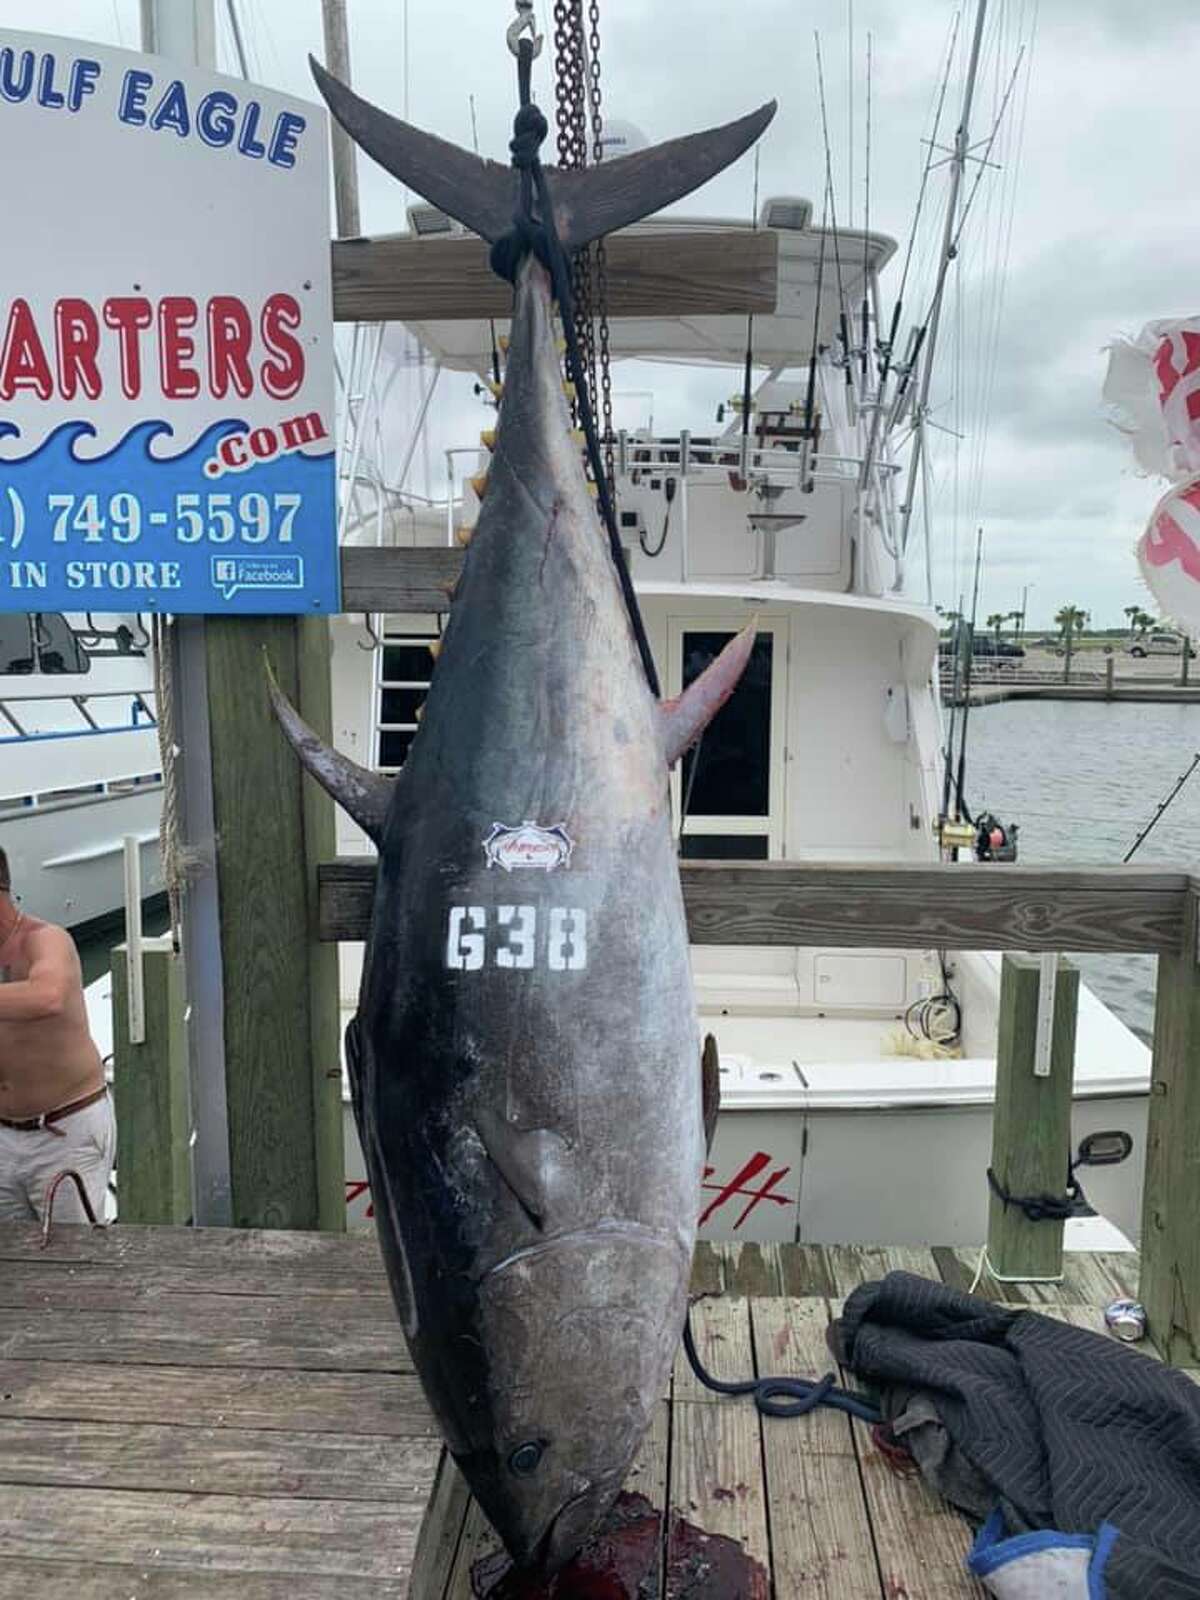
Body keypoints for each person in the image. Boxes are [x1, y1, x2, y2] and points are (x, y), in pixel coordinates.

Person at [0, 845, 114, 1224]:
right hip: (4, 1136)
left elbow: (47, 997)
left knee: (73, 1258)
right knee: (13, 1263)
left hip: (64, 1130)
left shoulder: (46, 940)